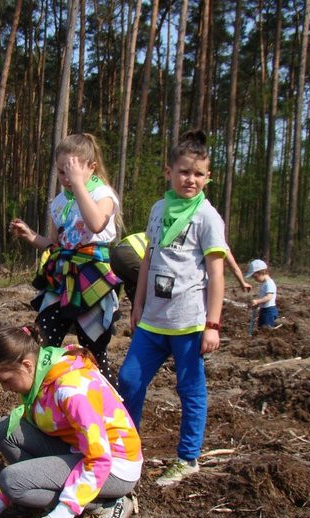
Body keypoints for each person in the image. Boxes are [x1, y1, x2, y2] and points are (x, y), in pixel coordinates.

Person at [0, 325, 142, 518]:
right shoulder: (40, 377)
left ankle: (106, 504)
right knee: (6, 430)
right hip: (79, 450)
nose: (5, 389)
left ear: (26, 365)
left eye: (5, 380)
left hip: (115, 466)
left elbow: (99, 458)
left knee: (13, 482)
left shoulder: (71, 389)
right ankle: (69, 505)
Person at [117, 130, 226, 487]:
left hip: (189, 323)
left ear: (208, 177)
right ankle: (127, 450)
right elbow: (148, 259)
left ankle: (187, 458)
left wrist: (213, 324)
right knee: (129, 380)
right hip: (152, 321)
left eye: (198, 174)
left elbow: (216, 273)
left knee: (190, 389)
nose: (190, 179)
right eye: (184, 172)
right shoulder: (158, 209)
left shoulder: (208, 217)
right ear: (169, 172)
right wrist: (138, 304)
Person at [9, 133, 121, 385]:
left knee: (94, 351)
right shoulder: (59, 202)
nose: (67, 178)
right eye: (61, 172)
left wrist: (79, 185)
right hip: (62, 278)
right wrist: (30, 235)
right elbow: (56, 245)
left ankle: (112, 402)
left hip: (92, 277)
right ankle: (43, 396)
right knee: (43, 341)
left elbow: (95, 224)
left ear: (92, 168)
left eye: (72, 172)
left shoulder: (102, 194)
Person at [111, 232, 251, 306]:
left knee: (137, 295)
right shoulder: (210, 240)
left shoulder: (180, 234)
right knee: (158, 291)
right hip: (132, 253)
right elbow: (233, 265)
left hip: (117, 252)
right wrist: (242, 282)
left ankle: (137, 331)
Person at [245, 259, 278, 329]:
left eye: (255, 277)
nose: (255, 279)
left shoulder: (269, 283)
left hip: (269, 311)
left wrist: (257, 301)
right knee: (261, 328)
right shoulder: (264, 283)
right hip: (264, 310)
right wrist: (257, 304)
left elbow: (269, 297)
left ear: (261, 273)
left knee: (266, 329)